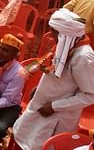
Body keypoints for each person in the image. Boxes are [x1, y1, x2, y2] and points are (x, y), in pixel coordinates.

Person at [13, 8, 94, 150]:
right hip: (42, 105)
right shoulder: (68, 45)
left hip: (57, 115)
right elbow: (56, 74)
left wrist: (54, 106)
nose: (51, 35)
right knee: (25, 139)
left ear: (65, 33)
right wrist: (39, 89)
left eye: (54, 32)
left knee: (40, 146)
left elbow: (90, 96)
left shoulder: (83, 57)